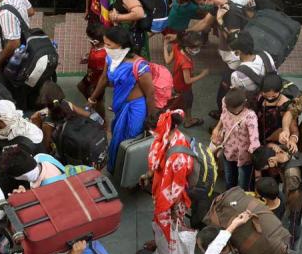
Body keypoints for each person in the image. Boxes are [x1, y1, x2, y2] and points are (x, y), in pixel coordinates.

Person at [88, 26, 155, 171]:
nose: (105, 47)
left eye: (108, 44)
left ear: (121, 45)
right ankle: (119, 168)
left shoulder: (140, 66)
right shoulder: (110, 58)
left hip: (135, 109)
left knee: (131, 140)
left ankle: (130, 172)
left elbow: (150, 94)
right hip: (120, 106)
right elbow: (104, 78)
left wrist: (150, 119)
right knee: (118, 137)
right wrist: (92, 98)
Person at [148, 110, 197, 254]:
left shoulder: (179, 156)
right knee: (164, 229)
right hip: (163, 190)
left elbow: (177, 187)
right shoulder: (170, 138)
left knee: (169, 230)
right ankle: (164, 252)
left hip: (171, 201)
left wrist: (174, 209)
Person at [212, 88, 260, 191]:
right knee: (229, 181)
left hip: (244, 157)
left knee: (243, 186)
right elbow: (223, 115)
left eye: (232, 109)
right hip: (228, 152)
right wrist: (217, 128)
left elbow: (254, 140)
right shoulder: (226, 102)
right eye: (228, 107)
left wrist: (253, 155)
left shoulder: (250, 117)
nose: (229, 110)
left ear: (243, 104)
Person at [163, 31, 208, 128]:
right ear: (187, 47)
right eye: (195, 47)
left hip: (175, 82)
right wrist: (202, 75)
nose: (197, 49)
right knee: (187, 102)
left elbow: (167, 60)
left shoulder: (177, 47)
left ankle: (185, 118)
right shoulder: (185, 63)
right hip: (184, 87)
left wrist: (165, 45)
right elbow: (187, 80)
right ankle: (188, 121)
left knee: (178, 101)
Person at [0, 0, 35, 77]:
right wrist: (13, 22)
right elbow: (31, 11)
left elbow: (13, 44)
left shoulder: (5, 13)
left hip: (2, 61)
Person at [79, 22, 107, 123]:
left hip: (97, 80)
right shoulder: (97, 46)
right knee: (81, 86)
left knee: (98, 100)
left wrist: (92, 97)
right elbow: (93, 50)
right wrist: (87, 57)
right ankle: (92, 102)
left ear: (94, 41)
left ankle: (103, 122)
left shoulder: (100, 56)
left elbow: (103, 77)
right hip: (91, 75)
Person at [254, 74, 290, 146]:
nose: (269, 98)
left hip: (275, 142)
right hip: (257, 138)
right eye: (266, 95)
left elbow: (293, 129)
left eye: (273, 96)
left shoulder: (286, 105)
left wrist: (287, 133)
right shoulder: (260, 98)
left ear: (280, 90)